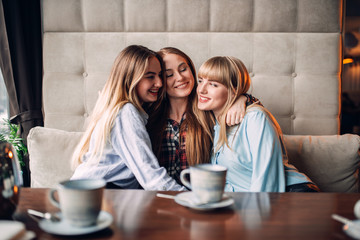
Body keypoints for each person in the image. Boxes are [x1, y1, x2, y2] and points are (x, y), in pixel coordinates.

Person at [197, 56, 319, 192]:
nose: (201, 89)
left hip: (292, 194)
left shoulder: (255, 118)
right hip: (248, 201)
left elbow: (267, 178)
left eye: (213, 84)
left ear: (234, 90)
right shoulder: (212, 121)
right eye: (200, 81)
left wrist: (254, 211)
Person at [71, 45, 185, 191]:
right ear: (130, 78)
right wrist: (190, 199)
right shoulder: (126, 112)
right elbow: (150, 177)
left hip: (92, 192)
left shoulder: (126, 110)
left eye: (160, 75)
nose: (159, 83)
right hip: (96, 194)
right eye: (150, 76)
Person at [147, 47, 259, 184]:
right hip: (161, 195)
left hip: (200, 197)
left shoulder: (208, 109)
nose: (180, 77)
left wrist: (242, 98)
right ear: (160, 80)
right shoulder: (151, 117)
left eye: (183, 69)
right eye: (169, 75)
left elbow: (257, 116)